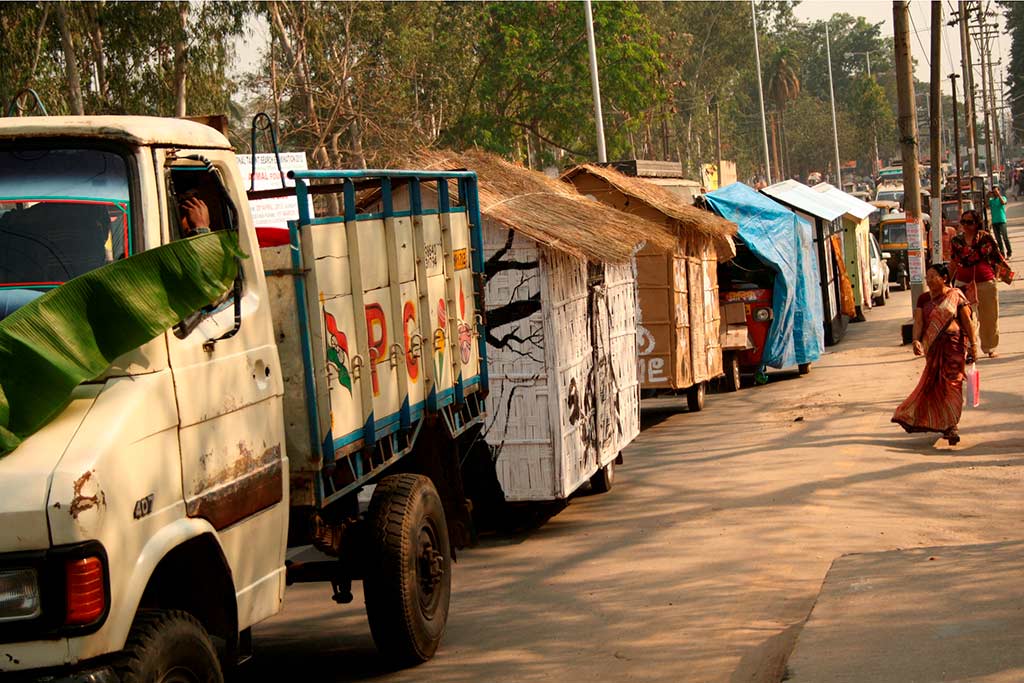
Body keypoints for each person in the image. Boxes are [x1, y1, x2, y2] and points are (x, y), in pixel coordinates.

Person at [892, 263, 977, 446]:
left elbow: (967, 322)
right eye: (927, 277)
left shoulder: (955, 296)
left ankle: (952, 424)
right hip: (933, 348)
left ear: (944, 278)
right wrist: (915, 340)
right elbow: (919, 322)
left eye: (933, 276)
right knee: (936, 386)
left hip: (954, 346)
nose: (929, 281)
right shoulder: (923, 299)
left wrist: (974, 345)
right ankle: (943, 423)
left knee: (952, 384)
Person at [949, 209, 1010, 358]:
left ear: (977, 224)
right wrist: (948, 283)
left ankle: (990, 347)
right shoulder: (956, 242)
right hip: (963, 284)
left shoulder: (985, 239)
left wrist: (1006, 276)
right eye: (963, 222)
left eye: (969, 222)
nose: (966, 225)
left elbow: (998, 258)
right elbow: (953, 263)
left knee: (989, 317)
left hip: (986, 283)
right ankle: (970, 348)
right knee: (967, 318)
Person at [987, 186, 1011, 257]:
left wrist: (999, 195)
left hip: (1002, 220)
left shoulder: (1003, 198)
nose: (995, 193)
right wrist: (987, 197)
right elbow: (987, 206)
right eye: (994, 192)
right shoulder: (991, 200)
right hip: (994, 222)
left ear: (999, 191)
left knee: (1005, 237)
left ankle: (1009, 252)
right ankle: (1002, 253)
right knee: (998, 239)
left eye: (996, 191)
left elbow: (1003, 203)